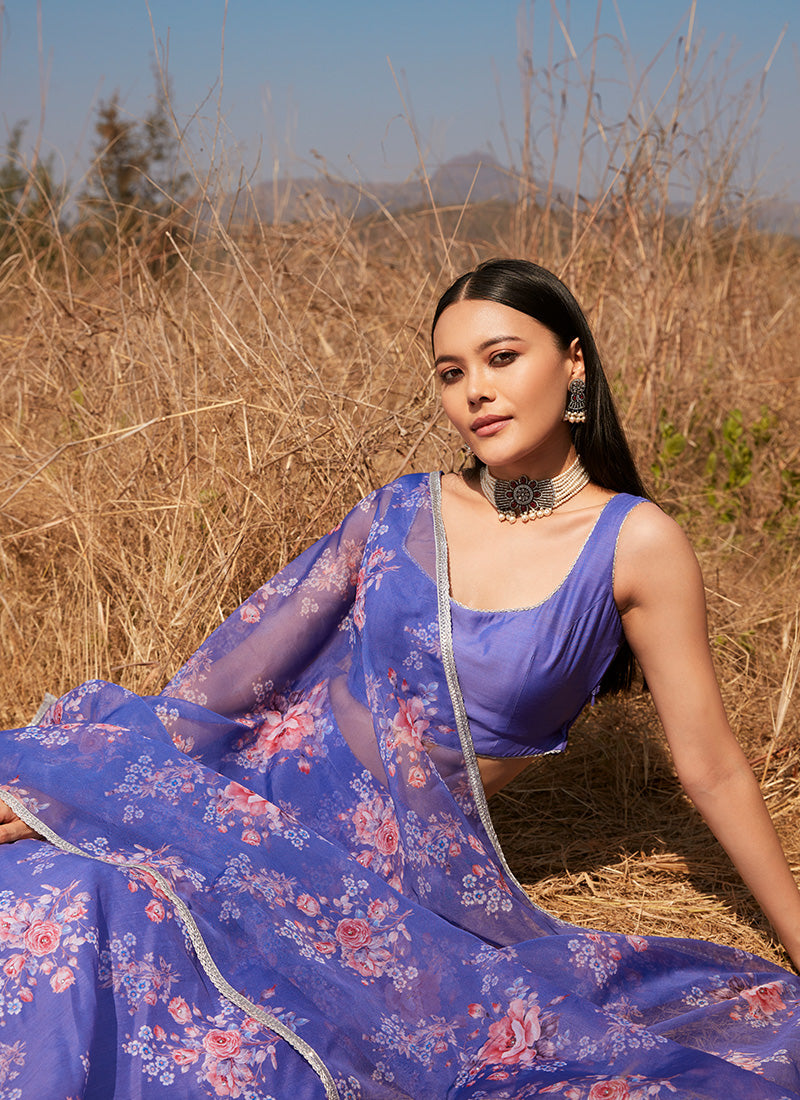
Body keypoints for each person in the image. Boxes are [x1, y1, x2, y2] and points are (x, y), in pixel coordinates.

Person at [1, 258, 799, 1099]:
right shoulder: (401, 512)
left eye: (502, 358)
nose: (476, 391)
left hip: (379, 870)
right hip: (244, 799)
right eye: (452, 373)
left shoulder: (634, 543)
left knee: (101, 910)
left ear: (573, 363)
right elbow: (226, 686)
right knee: (49, 889)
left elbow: (711, 768)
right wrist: (82, 780)